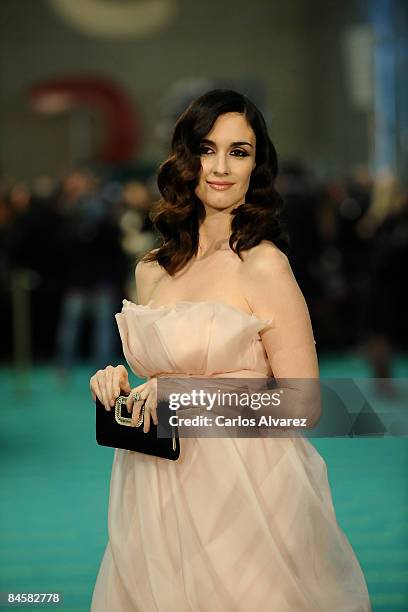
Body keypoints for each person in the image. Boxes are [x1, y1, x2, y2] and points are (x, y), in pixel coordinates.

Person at [89, 90, 371, 611]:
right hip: (153, 485)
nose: (220, 167)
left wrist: (186, 396)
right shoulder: (151, 269)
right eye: (206, 149)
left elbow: (303, 405)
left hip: (245, 493)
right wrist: (121, 386)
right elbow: (161, 380)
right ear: (184, 158)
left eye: (238, 152)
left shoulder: (262, 265)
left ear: (256, 165)